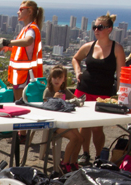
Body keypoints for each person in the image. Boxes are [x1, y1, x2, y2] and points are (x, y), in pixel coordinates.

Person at [72, 13, 126, 166]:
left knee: (97, 127)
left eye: (100, 27)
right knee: (84, 125)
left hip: (103, 93)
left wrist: (120, 94)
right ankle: (85, 153)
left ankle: (99, 155)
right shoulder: (88, 46)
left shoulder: (117, 49)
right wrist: (78, 72)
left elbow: (121, 73)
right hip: (83, 90)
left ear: (109, 29)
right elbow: (76, 58)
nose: (96, 30)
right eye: (94, 27)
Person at [0, 0, 44, 142]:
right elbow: (23, 48)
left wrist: (8, 42)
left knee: (21, 104)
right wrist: (8, 47)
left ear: (29, 11)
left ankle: (22, 135)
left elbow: (28, 41)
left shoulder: (32, 29)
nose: (18, 12)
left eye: (21, 9)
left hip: (26, 74)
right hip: (20, 74)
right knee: (19, 103)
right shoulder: (25, 28)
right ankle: (21, 134)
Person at [44, 65, 83, 173]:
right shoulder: (48, 91)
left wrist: (75, 100)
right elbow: (45, 107)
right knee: (74, 138)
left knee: (80, 138)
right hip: (54, 124)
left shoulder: (64, 91)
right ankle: (64, 163)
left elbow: (73, 98)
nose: (57, 80)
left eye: (59, 78)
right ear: (50, 79)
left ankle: (73, 162)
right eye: (54, 78)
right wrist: (55, 99)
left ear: (64, 79)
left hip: (65, 121)